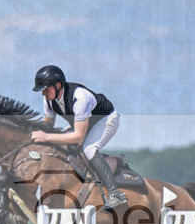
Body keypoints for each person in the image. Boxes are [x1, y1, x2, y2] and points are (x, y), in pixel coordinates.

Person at [29, 65, 127, 210]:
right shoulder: (49, 100)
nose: (43, 93)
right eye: (41, 90)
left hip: (105, 119)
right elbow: (47, 126)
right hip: (85, 123)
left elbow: (78, 137)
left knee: (89, 149)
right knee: (59, 142)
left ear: (58, 85)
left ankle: (115, 193)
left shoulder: (80, 97)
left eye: (45, 89)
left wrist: (47, 137)